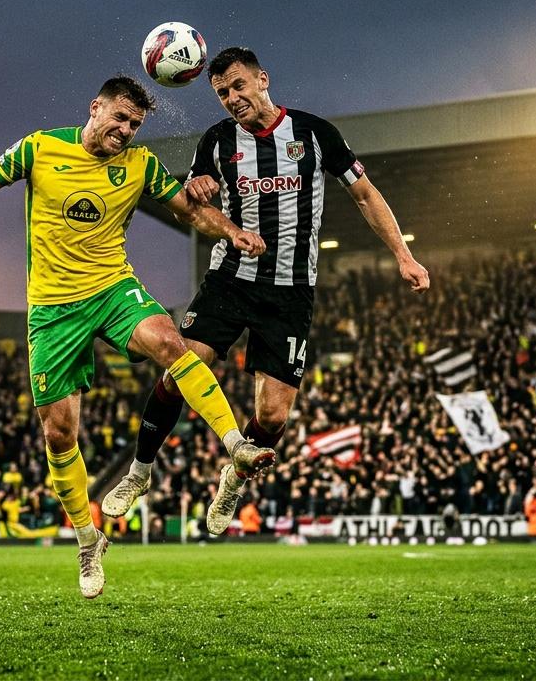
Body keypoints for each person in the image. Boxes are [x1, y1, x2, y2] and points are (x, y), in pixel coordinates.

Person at [0, 76, 270, 598]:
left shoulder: (140, 165)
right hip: (52, 309)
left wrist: (232, 231)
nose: (127, 130)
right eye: (120, 118)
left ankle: (235, 445)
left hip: (112, 288)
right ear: (95, 108)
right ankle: (89, 541)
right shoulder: (40, 148)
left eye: (135, 124)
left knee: (170, 343)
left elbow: (189, 210)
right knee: (59, 434)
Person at [102, 47, 430, 534]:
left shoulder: (314, 133)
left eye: (238, 86)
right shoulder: (217, 141)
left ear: (262, 79)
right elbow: (193, 203)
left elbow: (364, 194)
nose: (232, 98)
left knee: (273, 418)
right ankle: (138, 472)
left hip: (290, 291)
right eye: (221, 93)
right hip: (230, 279)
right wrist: (199, 187)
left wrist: (403, 254)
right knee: (180, 369)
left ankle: (233, 480)